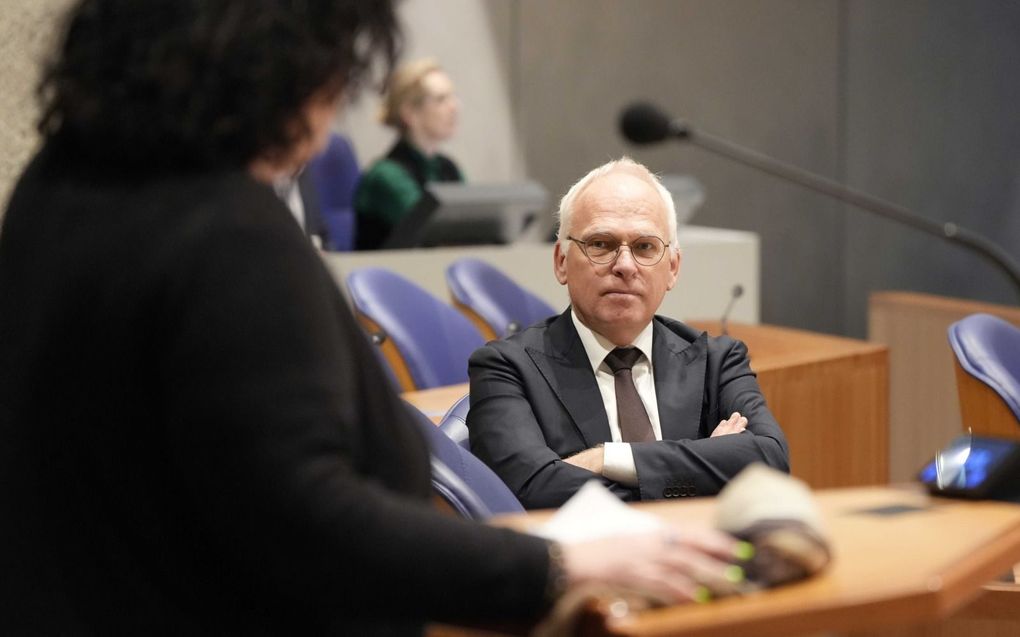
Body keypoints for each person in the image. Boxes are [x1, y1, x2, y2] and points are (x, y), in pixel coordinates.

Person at [0, 2, 745, 634]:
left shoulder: (54, 189)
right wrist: (556, 567)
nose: (324, 131)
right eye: (330, 82)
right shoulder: (223, 231)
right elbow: (306, 521)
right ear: (268, 67)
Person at [467, 158, 790, 510]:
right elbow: (531, 490)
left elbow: (770, 460)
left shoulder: (717, 361)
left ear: (673, 268)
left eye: (644, 247)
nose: (624, 265)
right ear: (561, 261)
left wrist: (607, 458)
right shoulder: (505, 368)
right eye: (601, 244)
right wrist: (706, 468)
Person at [354, 57, 463, 249]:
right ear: (409, 113)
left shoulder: (448, 168)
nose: (454, 107)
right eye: (440, 99)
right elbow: (432, 232)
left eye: (452, 97)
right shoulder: (386, 175)